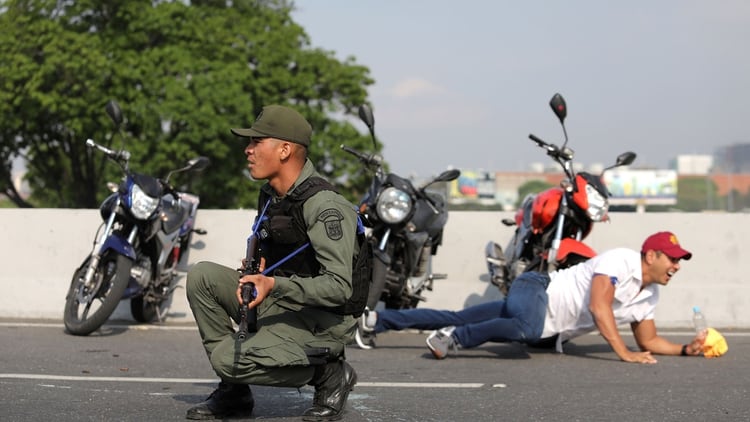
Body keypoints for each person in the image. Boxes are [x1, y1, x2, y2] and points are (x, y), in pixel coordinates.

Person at [185, 105, 359, 420]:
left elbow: (339, 287)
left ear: (284, 150)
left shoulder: (325, 206)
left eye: (256, 142)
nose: (247, 150)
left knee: (228, 360)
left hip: (320, 321)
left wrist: (273, 283)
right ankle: (235, 393)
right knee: (202, 277)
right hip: (282, 300)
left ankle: (329, 374)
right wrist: (261, 271)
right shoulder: (272, 195)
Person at [358, 231, 705, 364]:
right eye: (673, 258)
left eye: (680, 260)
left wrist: (686, 349)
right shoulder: (621, 260)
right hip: (535, 288)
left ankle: (379, 320)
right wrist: (624, 353)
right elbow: (601, 307)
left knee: (462, 315)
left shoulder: (650, 295)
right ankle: (454, 340)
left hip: (540, 314)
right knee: (525, 330)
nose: (677, 265)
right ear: (650, 256)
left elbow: (651, 339)